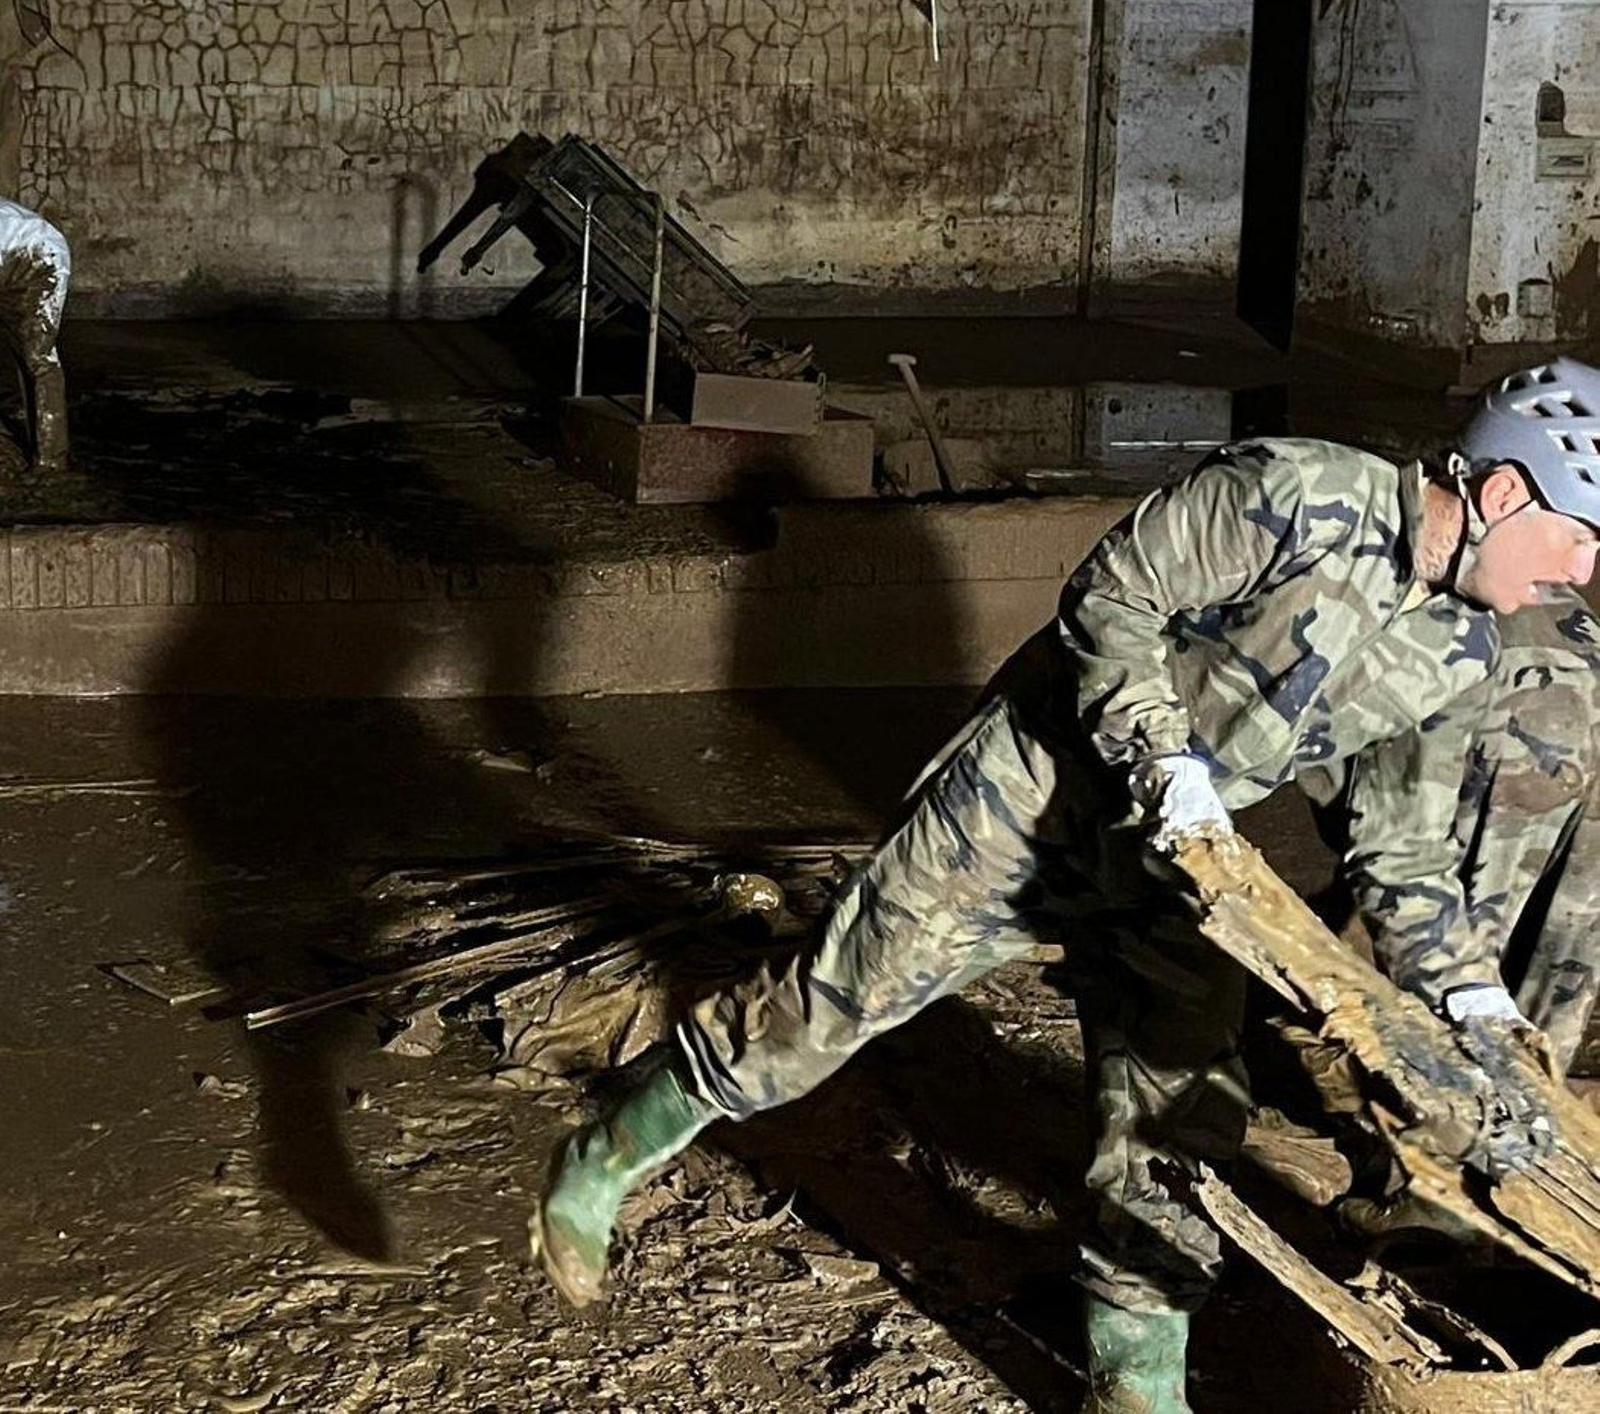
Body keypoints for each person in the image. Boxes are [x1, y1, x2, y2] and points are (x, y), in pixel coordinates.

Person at [532, 359, 1600, 1412]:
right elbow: (1114, 594)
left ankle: (1135, 1389)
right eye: (1581, 535)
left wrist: (1474, 999)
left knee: (1181, 1122)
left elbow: (1402, 856)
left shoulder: (1463, 653)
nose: (1584, 571)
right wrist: (1162, 758)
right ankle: (611, 1147)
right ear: (1502, 493)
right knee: (828, 1007)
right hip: (1033, 795)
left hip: (1185, 862)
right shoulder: (1298, 492)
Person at [0, 198, 69, 470]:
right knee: (18, 351)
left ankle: (51, 460)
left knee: (38, 357)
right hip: (10, 251)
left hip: (42, 257)